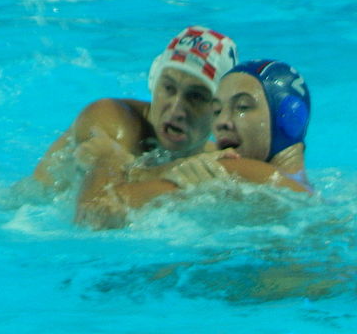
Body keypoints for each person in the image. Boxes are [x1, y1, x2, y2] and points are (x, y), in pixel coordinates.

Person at [75, 59, 312, 228]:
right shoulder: (309, 189)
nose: (221, 122)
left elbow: (96, 213)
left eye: (242, 107)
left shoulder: (231, 169)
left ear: (288, 118)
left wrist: (106, 160)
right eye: (217, 110)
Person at [30, 25, 239, 195]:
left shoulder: (213, 159)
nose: (176, 110)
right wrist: (173, 170)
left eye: (195, 97)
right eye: (168, 88)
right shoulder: (110, 119)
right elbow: (96, 210)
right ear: (153, 82)